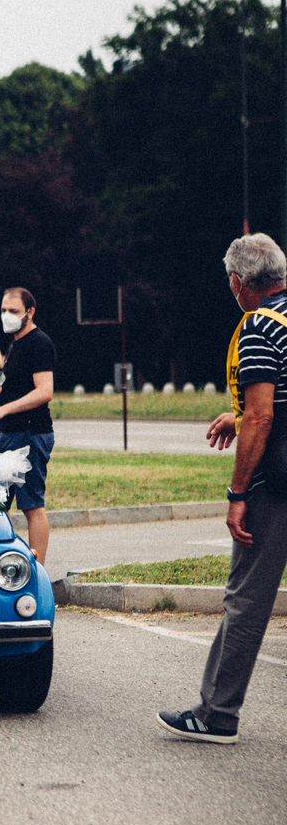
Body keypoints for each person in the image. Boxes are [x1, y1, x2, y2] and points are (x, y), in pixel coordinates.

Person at [158, 232, 287, 744]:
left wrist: (237, 495)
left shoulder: (259, 324)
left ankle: (217, 713)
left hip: (275, 485)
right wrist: (240, 415)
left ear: (239, 283)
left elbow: (260, 416)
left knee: (247, 599)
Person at [0, 287, 55, 560]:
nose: (6, 316)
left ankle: (37, 571)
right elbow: (21, 385)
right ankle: (4, 562)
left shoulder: (39, 342)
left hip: (31, 432)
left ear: (30, 312)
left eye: (14, 311)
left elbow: (44, 391)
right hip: (10, 433)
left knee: (32, 504)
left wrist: (2, 410)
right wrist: (1, 388)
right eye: (3, 311)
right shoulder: (15, 343)